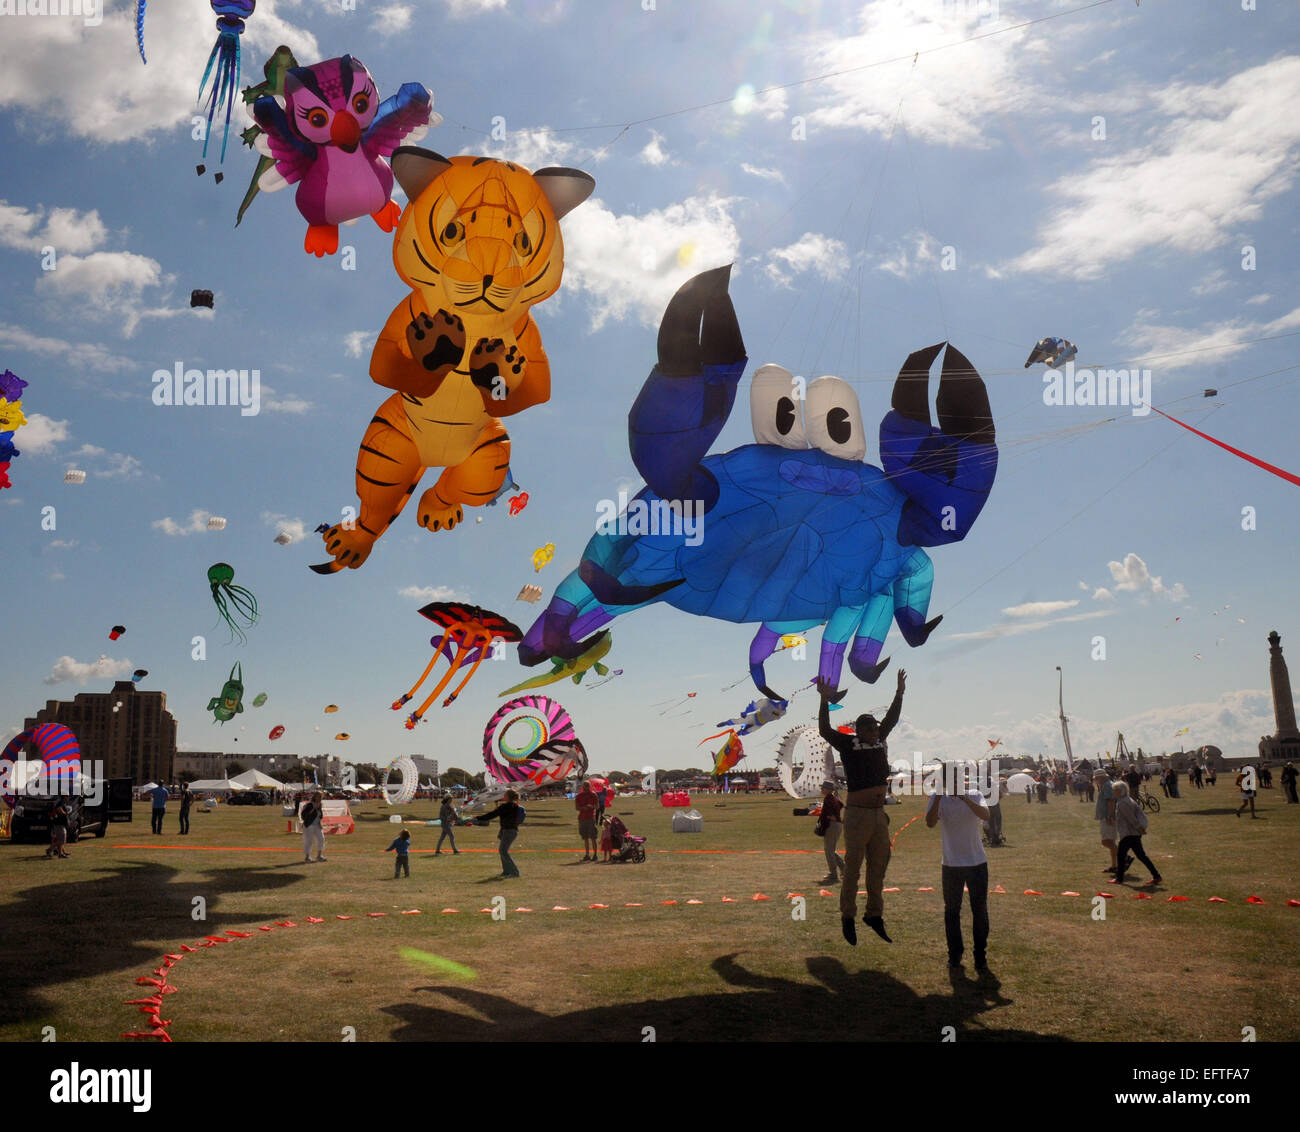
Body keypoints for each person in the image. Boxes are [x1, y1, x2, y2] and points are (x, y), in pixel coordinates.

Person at [816, 668, 906, 947]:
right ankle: (848, 916)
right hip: (857, 815)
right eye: (870, 727)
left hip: (879, 815)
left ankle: (874, 915)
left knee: (879, 867)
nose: (876, 730)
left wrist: (899, 693)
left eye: (876, 727)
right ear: (858, 730)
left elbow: (891, 718)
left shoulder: (879, 739)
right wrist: (824, 700)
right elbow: (824, 730)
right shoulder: (848, 744)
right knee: (853, 868)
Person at [925, 771, 991, 972]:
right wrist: (937, 796)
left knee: (979, 910)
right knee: (952, 911)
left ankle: (980, 955)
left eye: (958, 780)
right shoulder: (939, 799)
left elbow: (985, 815)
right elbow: (930, 822)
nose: (955, 783)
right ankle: (955, 955)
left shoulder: (974, 794)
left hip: (976, 862)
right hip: (951, 864)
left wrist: (963, 798)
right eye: (950, 781)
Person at [1113, 782, 1161, 886]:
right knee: (1141, 856)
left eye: (1115, 790)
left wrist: (1139, 828)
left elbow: (1131, 818)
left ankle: (1119, 879)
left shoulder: (1123, 803)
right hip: (1133, 833)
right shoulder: (1127, 800)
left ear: (1121, 791)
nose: (1114, 792)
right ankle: (1156, 876)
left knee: (1121, 856)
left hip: (1129, 833)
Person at [477, 789, 523, 877]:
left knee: (503, 851)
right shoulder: (514, 806)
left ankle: (514, 872)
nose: (503, 796)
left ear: (508, 797)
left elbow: (492, 814)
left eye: (505, 795)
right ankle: (506, 871)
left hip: (508, 831)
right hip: (511, 830)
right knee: (502, 851)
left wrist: (479, 818)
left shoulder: (505, 807)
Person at [815, 781, 845, 884]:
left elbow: (827, 814)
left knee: (829, 851)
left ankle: (834, 875)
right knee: (831, 850)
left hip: (832, 825)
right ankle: (844, 870)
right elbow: (841, 805)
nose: (821, 790)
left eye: (823, 788)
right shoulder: (834, 798)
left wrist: (822, 825)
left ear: (828, 789)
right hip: (837, 825)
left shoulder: (828, 798)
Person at [1094, 770, 1118, 874]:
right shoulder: (1107, 785)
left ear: (1101, 778)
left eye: (1096, 778)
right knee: (1110, 842)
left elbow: (1111, 801)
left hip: (1108, 817)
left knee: (1106, 841)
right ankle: (1115, 865)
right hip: (1107, 816)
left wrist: (1109, 816)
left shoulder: (1107, 785)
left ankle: (1124, 857)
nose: (1095, 781)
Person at [575, 780, 599, 861]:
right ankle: (587, 855)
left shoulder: (593, 795)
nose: (586, 788)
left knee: (593, 837)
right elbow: (577, 808)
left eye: (588, 786)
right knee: (585, 837)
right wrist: (583, 808)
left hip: (591, 818)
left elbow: (597, 806)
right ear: (583, 787)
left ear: (590, 786)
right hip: (582, 818)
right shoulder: (579, 796)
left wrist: (592, 806)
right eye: (585, 786)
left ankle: (595, 854)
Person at [301, 792, 326, 862]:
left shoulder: (320, 805)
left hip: (317, 825)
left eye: (321, 797)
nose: (319, 798)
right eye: (318, 796)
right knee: (309, 841)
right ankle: (307, 857)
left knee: (321, 838)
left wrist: (319, 822)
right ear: (314, 797)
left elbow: (320, 816)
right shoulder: (309, 805)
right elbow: (303, 815)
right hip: (309, 825)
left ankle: (319, 856)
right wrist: (313, 809)